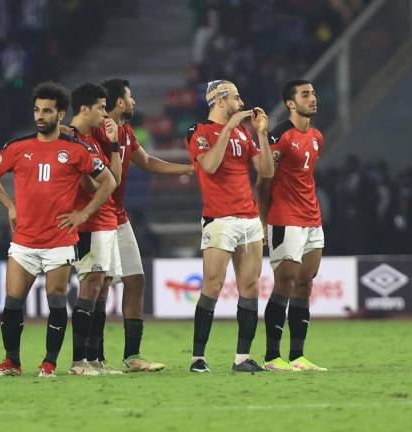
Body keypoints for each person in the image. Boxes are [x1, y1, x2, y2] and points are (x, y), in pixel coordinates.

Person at [0, 82, 116, 378]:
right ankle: (11, 363)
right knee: (13, 301)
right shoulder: (19, 147)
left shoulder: (75, 150)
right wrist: (9, 205)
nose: (40, 116)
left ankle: (49, 363)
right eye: (37, 110)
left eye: (47, 111)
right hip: (24, 241)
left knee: (56, 300)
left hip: (59, 240)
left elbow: (109, 180)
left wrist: (85, 212)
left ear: (61, 113)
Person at [96, 78, 194, 372]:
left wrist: (191, 168)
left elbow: (148, 161)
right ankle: (94, 356)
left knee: (136, 280)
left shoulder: (125, 131)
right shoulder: (96, 133)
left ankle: (132, 356)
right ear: (120, 103)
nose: (136, 102)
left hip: (120, 218)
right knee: (99, 288)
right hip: (98, 220)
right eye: (131, 96)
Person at [185, 79, 273, 373]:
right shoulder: (199, 132)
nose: (241, 101)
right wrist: (228, 127)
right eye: (235, 97)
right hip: (219, 219)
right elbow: (209, 166)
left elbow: (266, 170)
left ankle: (242, 358)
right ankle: (198, 358)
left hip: (249, 219)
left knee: (250, 287)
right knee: (212, 285)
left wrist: (261, 134)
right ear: (220, 101)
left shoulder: (244, 132)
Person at [258, 79, 327, 372]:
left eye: (312, 93)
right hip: (285, 219)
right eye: (305, 94)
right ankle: (273, 356)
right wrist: (262, 222)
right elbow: (263, 182)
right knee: (284, 284)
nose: (312, 98)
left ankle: (298, 356)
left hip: (313, 220)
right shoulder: (279, 137)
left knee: (305, 284)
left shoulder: (317, 137)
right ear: (290, 103)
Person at [67, 83, 122, 376]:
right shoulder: (70, 138)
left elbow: (115, 179)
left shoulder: (94, 139)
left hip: (107, 220)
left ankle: (95, 359)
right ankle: (79, 361)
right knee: (90, 287)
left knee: (102, 290)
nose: (105, 113)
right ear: (84, 109)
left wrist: (113, 144)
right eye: (101, 107)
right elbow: (91, 184)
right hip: (90, 224)